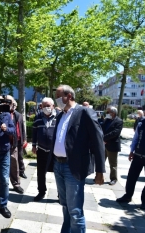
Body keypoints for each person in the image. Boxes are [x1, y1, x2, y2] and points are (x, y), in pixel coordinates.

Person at [52, 84, 105, 233]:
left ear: (68, 96)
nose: (57, 100)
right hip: (58, 165)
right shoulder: (61, 114)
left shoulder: (84, 113)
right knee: (65, 205)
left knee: (75, 210)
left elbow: (98, 141)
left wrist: (100, 170)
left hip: (73, 167)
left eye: (58, 96)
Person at [32, 97, 59, 201]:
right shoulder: (38, 117)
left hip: (55, 151)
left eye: (48, 106)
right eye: (44, 106)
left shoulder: (59, 117)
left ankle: (61, 194)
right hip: (42, 150)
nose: (46, 108)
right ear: (41, 106)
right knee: (41, 173)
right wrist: (34, 145)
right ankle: (41, 192)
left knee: (58, 174)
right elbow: (34, 132)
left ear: (53, 106)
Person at [101, 106, 123, 185]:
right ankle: (99, 176)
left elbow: (115, 133)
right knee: (101, 161)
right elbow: (101, 129)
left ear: (113, 113)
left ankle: (113, 178)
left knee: (113, 164)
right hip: (104, 145)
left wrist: (104, 139)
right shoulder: (106, 120)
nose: (106, 113)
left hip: (112, 145)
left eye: (108, 112)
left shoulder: (119, 121)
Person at [11, 99, 28, 179]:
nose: (13, 106)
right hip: (12, 140)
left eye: (15, 105)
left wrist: (24, 138)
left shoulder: (19, 115)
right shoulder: (8, 115)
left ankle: (22, 171)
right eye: (12, 105)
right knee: (13, 158)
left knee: (20, 157)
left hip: (19, 139)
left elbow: (22, 128)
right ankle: (13, 173)